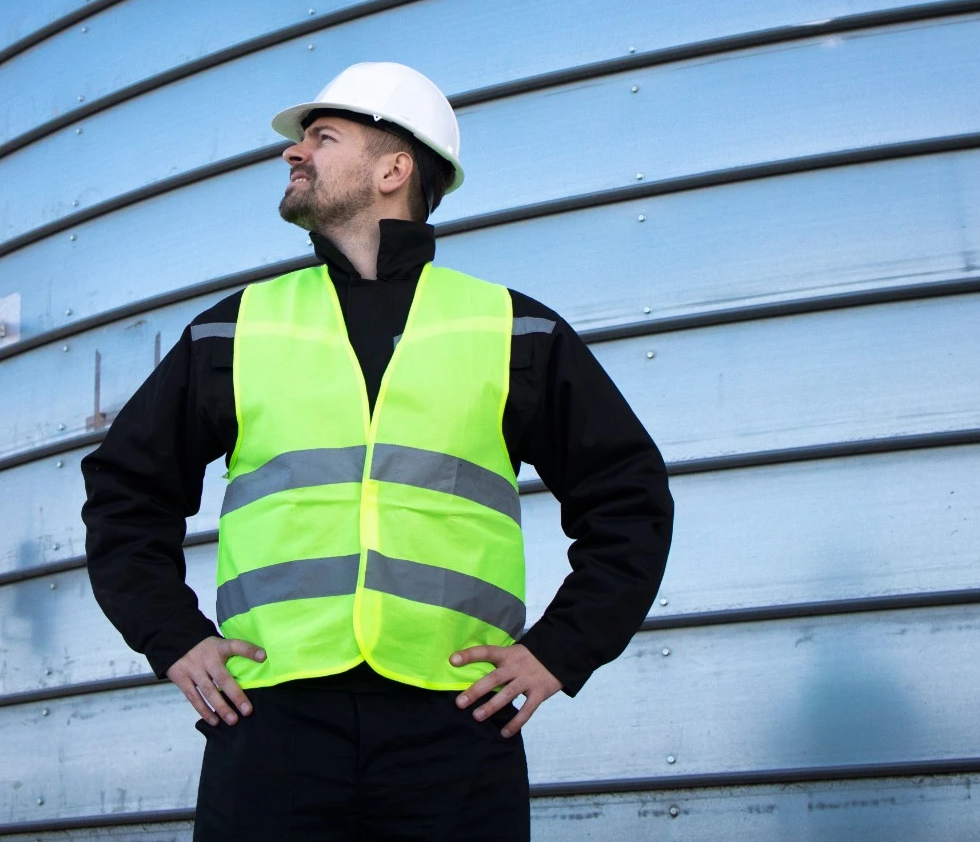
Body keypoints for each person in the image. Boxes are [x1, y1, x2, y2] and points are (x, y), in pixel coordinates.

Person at [82, 61, 673, 840]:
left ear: (395, 168)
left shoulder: (512, 331)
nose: (295, 153)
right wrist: (175, 638)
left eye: (322, 138)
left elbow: (629, 500)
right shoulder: (236, 329)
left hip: (455, 728)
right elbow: (125, 493)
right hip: (273, 726)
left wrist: (560, 652)